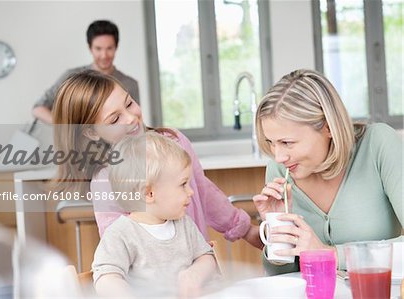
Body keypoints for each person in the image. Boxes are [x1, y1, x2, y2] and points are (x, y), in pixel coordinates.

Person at [51, 69, 263, 251]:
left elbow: (203, 190)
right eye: (115, 119)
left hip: (201, 270)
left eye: (129, 104)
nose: (131, 118)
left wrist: (245, 229)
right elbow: (116, 244)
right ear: (91, 132)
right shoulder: (107, 180)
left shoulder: (174, 141)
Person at [252, 69, 403, 275]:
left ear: (328, 128)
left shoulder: (378, 145)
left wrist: (329, 254)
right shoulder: (280, 169)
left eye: (287, 142)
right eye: (271, 143)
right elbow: (283, 276)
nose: (278, 156)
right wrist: (277, 235)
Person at [92, 132, 217, 298]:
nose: (191, 191)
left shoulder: (183, 224)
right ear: (149, 193)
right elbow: (105, 277)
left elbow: (206, 257)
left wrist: (195, 273)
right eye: (183, 184)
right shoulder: (120, 234)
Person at [33, 20, 139, 124]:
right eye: (98, 49)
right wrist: (65, 128)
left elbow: (135, 121)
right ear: (90, 48)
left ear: (116, 47)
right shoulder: (71, 77)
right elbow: (38, 108)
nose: (104, 55)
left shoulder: (130, 84)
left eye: (109, 48)